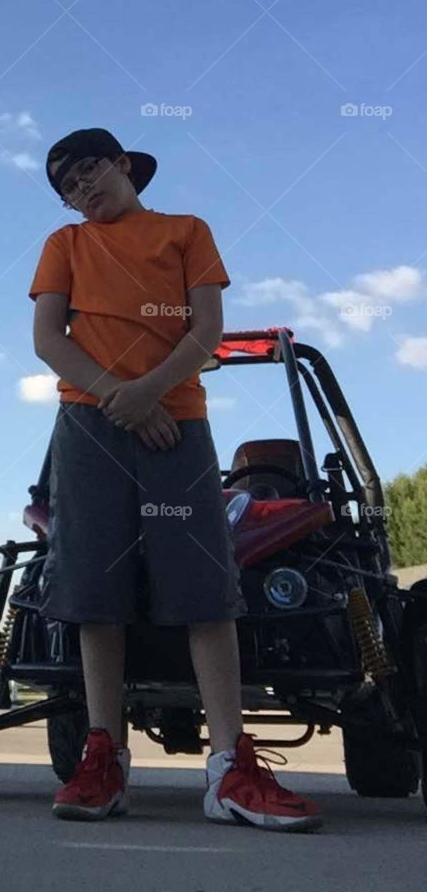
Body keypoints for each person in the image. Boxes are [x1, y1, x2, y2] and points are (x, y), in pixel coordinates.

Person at [28, 127, 320, 832]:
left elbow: (205, 329)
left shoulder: (187, 231)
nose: (80, 189)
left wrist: (150, 394)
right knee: (96, 591)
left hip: (176, 422)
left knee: (202, 589)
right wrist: (120, 399)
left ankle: (229, 769)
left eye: (89, 171)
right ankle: (103, 756)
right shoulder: (64, 245)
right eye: (66, 185)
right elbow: (47, 339)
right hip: (91, 426)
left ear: (124, 165)